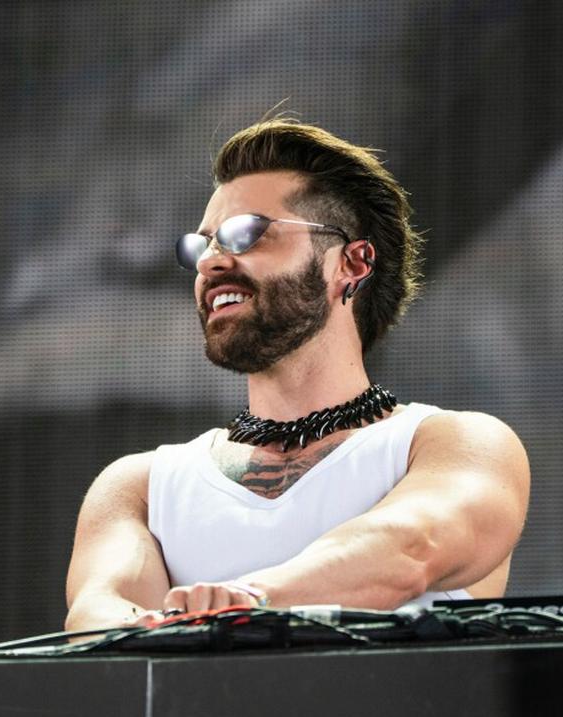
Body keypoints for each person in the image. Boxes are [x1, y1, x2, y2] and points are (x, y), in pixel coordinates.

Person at [65, 119, 529, 631]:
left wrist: (245, 602)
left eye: (246, 234)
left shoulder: (452, 444)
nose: (210, 264)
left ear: (352, 263)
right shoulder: (142, 486)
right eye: (201, 247)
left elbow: (410, 547)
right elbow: (99, 610)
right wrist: (145, 626)